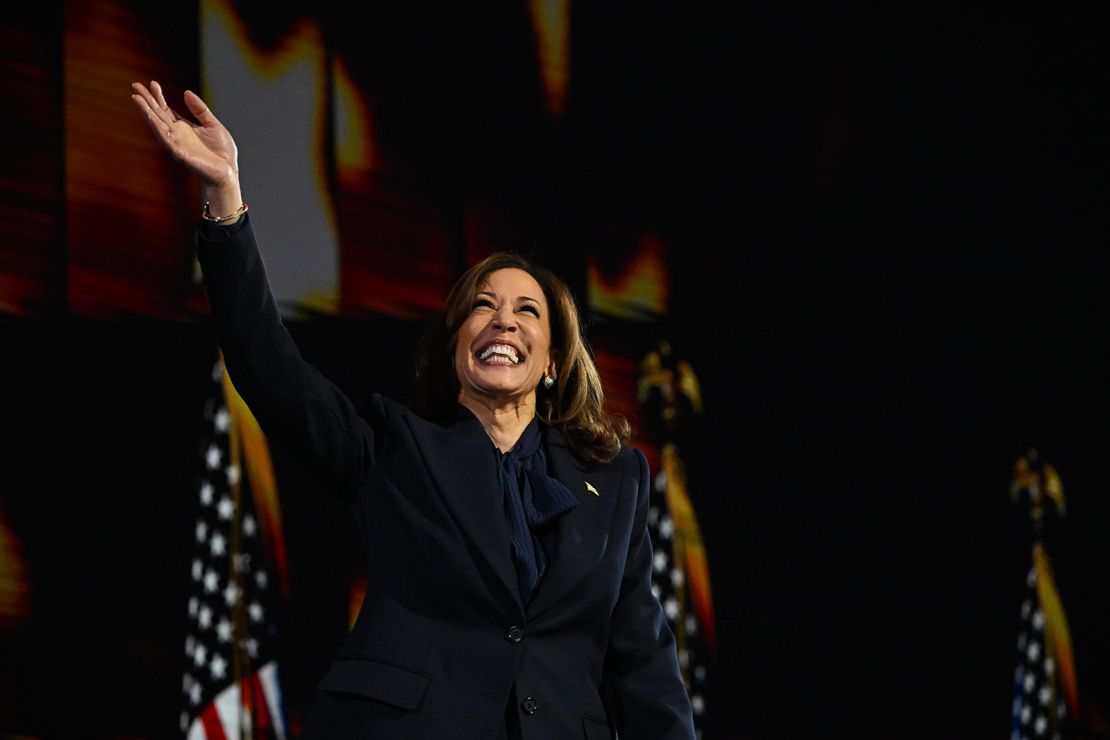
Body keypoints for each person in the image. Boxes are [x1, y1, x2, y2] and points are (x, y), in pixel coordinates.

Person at [130, 80, 696, 740]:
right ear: (457, 347)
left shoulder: (617, 484)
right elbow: (272, 372)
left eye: (526, 311)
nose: (502, 321)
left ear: (553, 364)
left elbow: (646, 669)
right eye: (482, 307)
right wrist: (226, 202)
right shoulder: (395, 449)